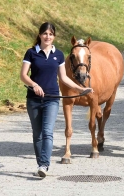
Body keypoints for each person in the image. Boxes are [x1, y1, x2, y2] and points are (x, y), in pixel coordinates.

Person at [20, 22, 93, 177]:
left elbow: (64, 77)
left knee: (47, 132)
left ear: (54, 37)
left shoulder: (58, 54)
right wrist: (34, 85)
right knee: (37, 133)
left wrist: (81, 89)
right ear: (40, 35)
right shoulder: (31, 53)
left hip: (52, 99)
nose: (48, 37)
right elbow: (23, 75)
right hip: (33, 99)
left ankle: (44, 165)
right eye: (45, 33)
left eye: (51, 34)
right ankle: (41, 163)